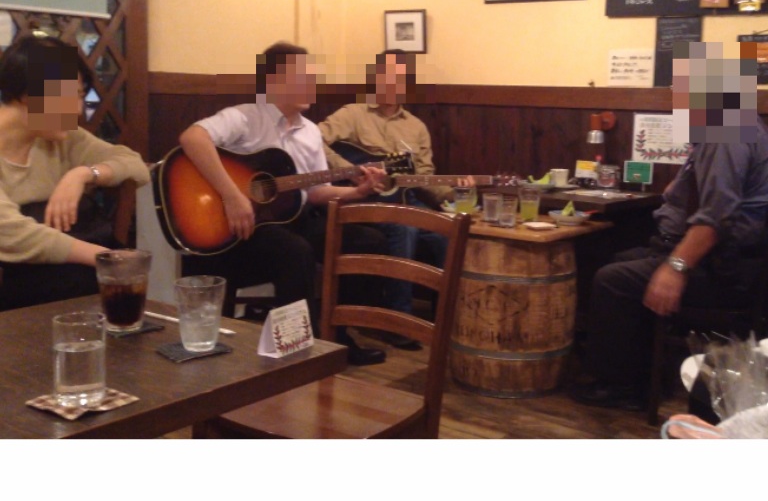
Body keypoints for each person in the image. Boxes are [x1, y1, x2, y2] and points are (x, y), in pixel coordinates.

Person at [178, 41, 390, 366]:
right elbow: (192, 138)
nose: (312, 83)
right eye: (303, 76)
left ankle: (334, 334)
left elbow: (316, 192)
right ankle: (296, 352)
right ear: (274, 80)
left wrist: (358, 192)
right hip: (246, 226)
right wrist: (232, 195)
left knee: (369, 242)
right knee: (295, 251)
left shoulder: (310, 131)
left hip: (294, 219)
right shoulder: (245, 117)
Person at [573, 125, 768, 411]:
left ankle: (624, 387)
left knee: (612, 279)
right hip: (719, 259)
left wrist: (675, 268)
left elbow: (717, 218)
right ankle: (648, 375)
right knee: (615, 260)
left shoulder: (726, 131)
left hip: (725, 268)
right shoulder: (731, 127)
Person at [318, 49, 464, 350]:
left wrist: (456, 194)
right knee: (404, 228)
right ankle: (398, 320)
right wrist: (352, 172)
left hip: (405, 198)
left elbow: (424, 176)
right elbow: (314, 139)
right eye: (385, 75)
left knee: (445, 231)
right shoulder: (352, 114)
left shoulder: (416, 126)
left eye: (398, 77)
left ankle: (447, 321)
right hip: (362, 199)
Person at [0, 33, 150, 311]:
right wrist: (104, 258)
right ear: (26, 95)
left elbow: (134, 165)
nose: (78, 109)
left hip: (65, 277)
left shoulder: (59, 136)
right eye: (69, 95)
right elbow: (11, 234)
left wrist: (83, 173)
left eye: (80, 96)